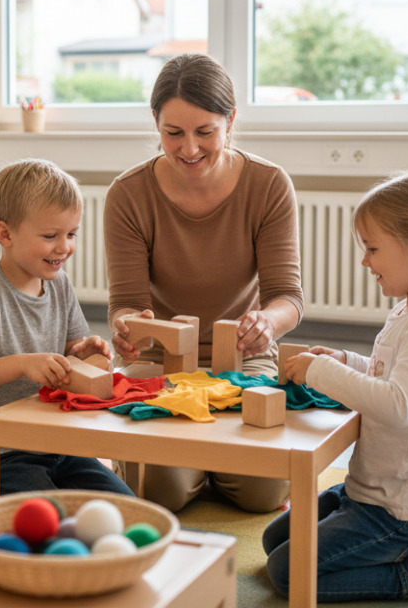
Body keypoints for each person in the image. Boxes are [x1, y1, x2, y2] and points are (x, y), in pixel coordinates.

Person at [264, 169, 408, 602]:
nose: (365, 261)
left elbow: (399, 404)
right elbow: (393, 373)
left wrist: (320, 373)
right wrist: (346, 361)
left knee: (286, 573)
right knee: (275, 539)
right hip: (372, 491)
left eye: (372, 249)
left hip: (407, 511)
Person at [104, 52, 304, 514]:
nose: (189, 149)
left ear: (230, 121)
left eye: (205, 132)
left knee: (264, 494)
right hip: (161, 361)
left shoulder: (269, 184)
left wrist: (266, 324)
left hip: (243, 357)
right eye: (173, 133)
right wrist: (129, 328)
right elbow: (127, 304)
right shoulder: (128, 195)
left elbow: (287, 297)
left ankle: (212, 460)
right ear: (155, 122)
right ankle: (190, 462)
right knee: (160, 492)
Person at [0, 158, 133, 497]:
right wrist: (25, 363)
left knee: (124, 506)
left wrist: (83, 354)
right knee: (46, 523)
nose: (64, 247)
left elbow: (69, 355)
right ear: (6, 234)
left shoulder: (59, 285)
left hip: (58, 440)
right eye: (50, 236)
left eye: (71, 234)